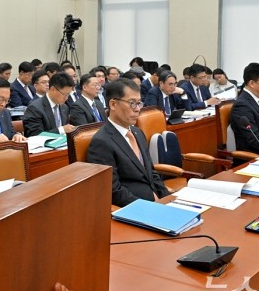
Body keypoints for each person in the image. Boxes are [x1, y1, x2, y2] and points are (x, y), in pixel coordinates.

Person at [87, 78, 169, 207]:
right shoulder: (101, 142)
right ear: (113, 104)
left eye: (139, 103)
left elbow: (151, 172)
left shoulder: (137, 133)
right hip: (134, 209)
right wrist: (149, 207)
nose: (137, 109)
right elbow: (113, 191)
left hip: (156, 203)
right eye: (132, 103)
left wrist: (167, 199)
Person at [22, 72, 76, 137]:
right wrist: (61, 130)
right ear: (53, 89)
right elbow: (35, 135)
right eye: (64, 94)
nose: (66, 98)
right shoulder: (35, 108)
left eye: (68, 94)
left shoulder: (64, 107)